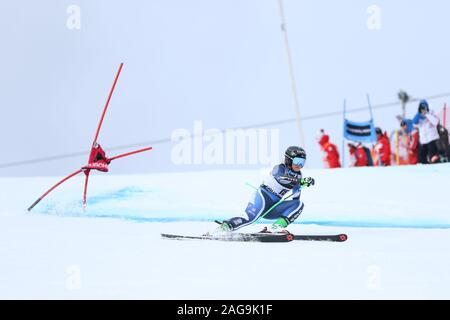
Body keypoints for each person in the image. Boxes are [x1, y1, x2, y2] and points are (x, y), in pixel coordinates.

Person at [218, 146, 315, 233]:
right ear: (289, 160)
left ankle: (276, 227)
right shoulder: (279, 168)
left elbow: (295, 198)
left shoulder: (299, 175)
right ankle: (225, 227)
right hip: (263, 197)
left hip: (273, 206)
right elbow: (282, 177)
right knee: (250, 219)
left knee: (299, 204)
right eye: (297, 161)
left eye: (302, 162)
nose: (299, 165)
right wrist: (300, 181)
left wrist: (300, 186)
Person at [412, 100, 440, 164]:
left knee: (433, 158)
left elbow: (436, 122)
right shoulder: (419, 117)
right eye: (421, 108)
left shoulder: (431, 113)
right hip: (423, 141)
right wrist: (418, 115)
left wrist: (427, 114)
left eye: (424, 107)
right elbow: (414, 124)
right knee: (421, 159)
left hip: (432, 139)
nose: (423, 110)